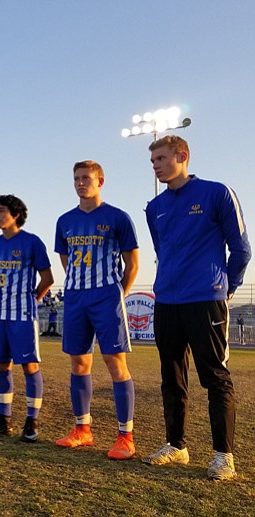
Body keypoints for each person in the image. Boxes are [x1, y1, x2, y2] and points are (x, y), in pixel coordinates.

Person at [142, 135, 251, 480]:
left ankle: (224, 456)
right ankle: (177, 446)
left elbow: (242, 249)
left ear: (182, 156)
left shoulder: (217, 193)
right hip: (167, 303)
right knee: (171, 377)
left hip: (205, 300)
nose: (155, 165)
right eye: (152, 160)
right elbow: (164, 253)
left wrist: (226, 288)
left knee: (215, 377)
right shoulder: (154, 207)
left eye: (160, 158)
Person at [54, 160, 139, 460]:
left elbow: (133, 264)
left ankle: (125, 437)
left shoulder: (117, 217)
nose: (80, 183)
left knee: (115, 364)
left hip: (106, 297)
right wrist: (81, 283)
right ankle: (82, 430)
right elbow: (66, 260)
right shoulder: (65, 221)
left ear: (100, 181)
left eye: (86, 178)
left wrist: (117, 294)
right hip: (76, 297)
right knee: (78, 363)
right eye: (76, 178)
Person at [0, 195, 53, 441]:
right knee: (1, 366)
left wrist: (33, 300)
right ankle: (4, 420)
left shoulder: (32, 242)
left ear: (16, 214)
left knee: (30, 366)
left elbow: (47, 279)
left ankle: (31, 423)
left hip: (22, 314)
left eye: (1, 211)